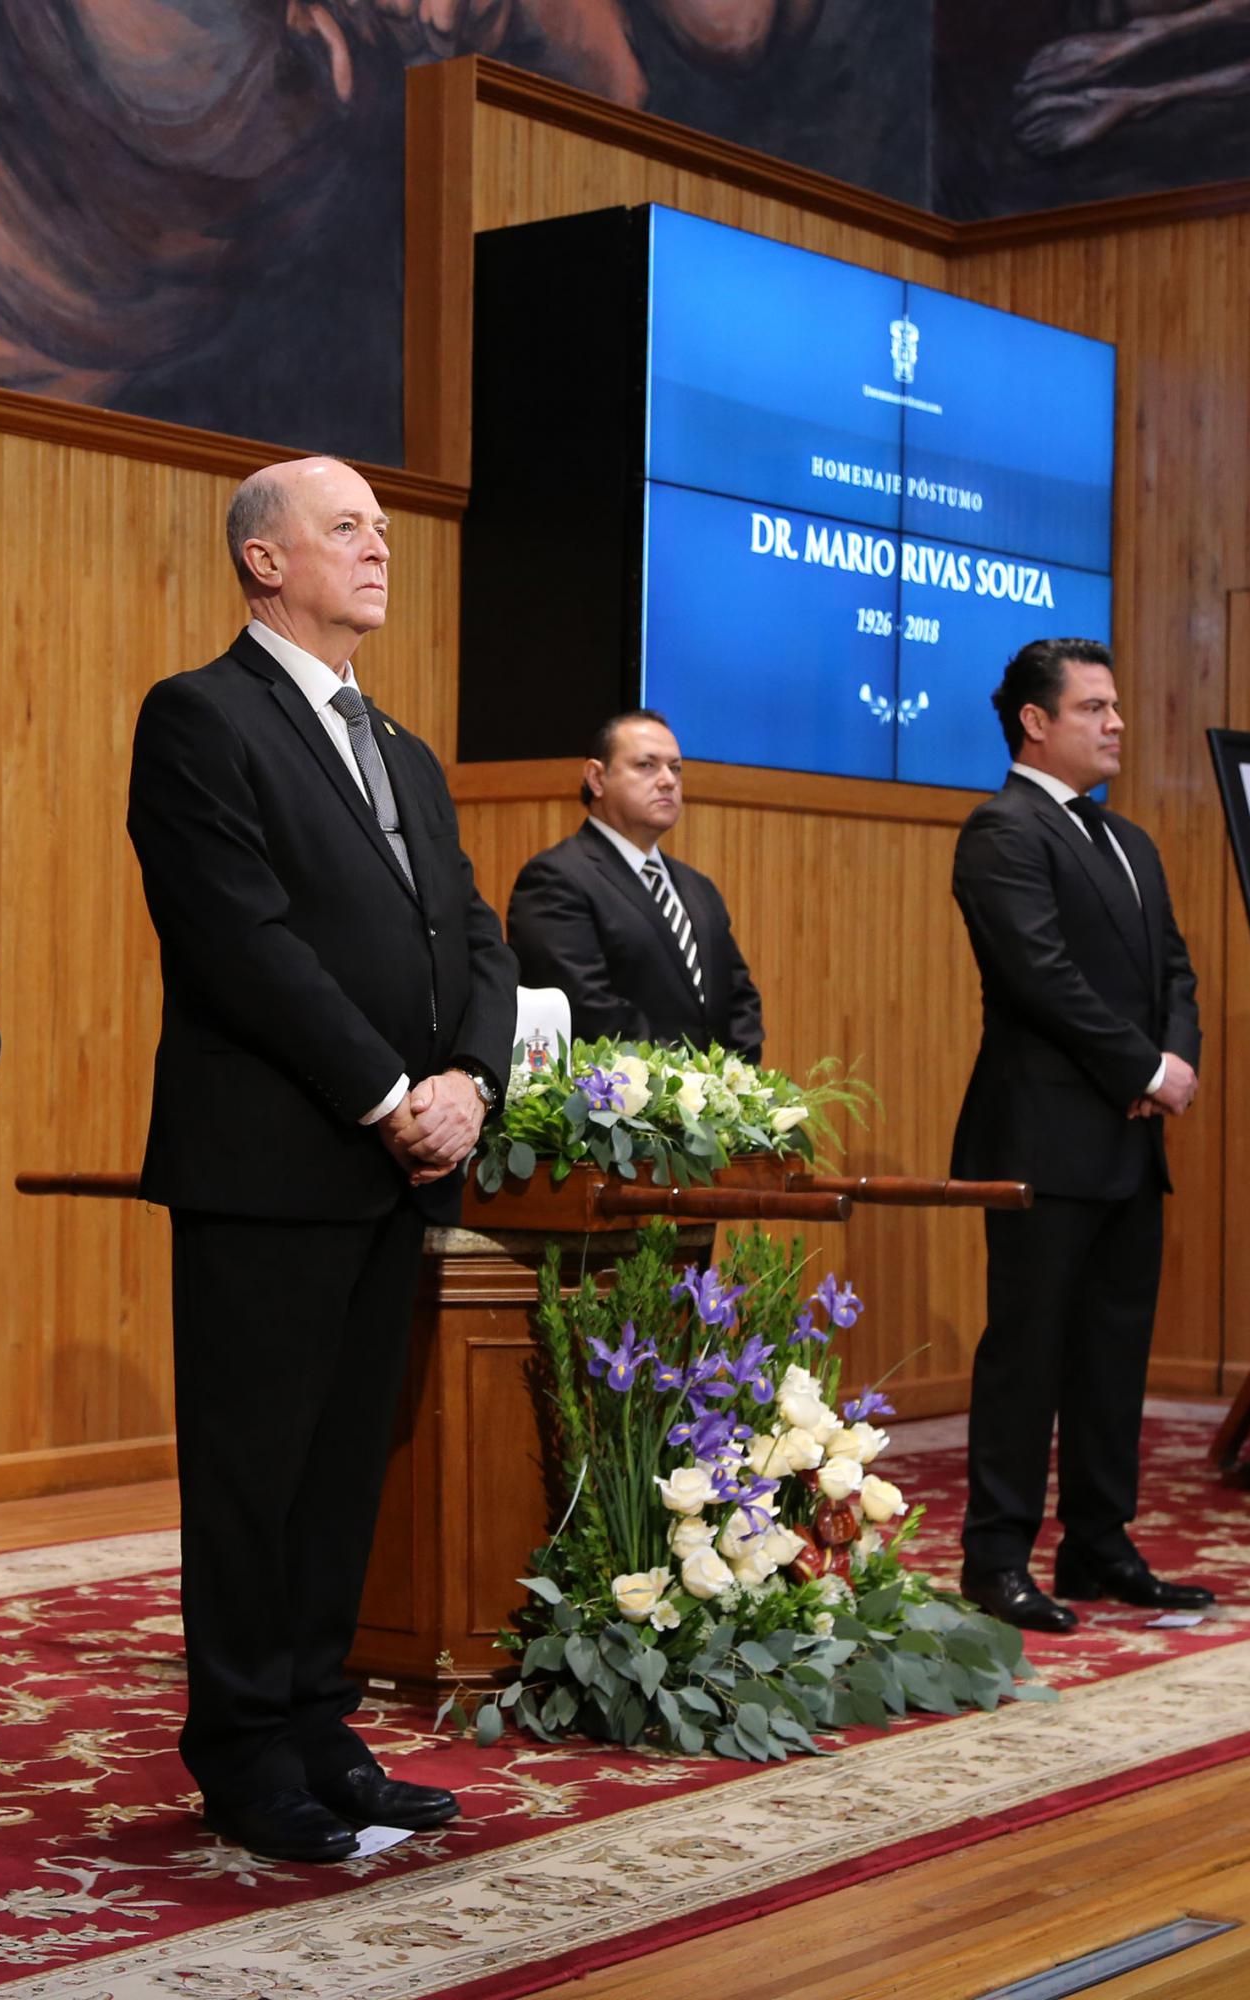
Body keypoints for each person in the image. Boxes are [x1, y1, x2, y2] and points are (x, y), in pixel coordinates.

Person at [127, 455, 517, 1863]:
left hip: (396, 1166)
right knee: (256, 1473)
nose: (379, 549)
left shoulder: (401, 744)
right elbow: (242, 942)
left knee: (347, 1465)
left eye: (383, 530)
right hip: (273, 1161)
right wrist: (385, 1091)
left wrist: (470, 1077)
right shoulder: (198, 719)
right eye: (346, 529)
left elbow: (469, 933)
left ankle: (316, 1720)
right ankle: (240, 1749)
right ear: (264, 561)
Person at [947, 637, 1212, 1635]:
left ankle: (1100, 1541)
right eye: (1095, 706)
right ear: (1035, 722)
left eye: (1116, 706)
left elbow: (1174, 971)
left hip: (1128, 1141)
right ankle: (997, 1555)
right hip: (1040, 1143)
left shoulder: (1129, 840)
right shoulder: (1002, 830)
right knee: (1030, 1350)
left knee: (1112, 1351)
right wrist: (1143, 1068)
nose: (1117, 723)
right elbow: (1038, 974)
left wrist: (1168, 1062)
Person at [506, 710, 764, 1058]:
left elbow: (740, 1000)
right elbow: (587, 1008)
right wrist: (683, 1086)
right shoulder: (556, 879)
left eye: (675, 768)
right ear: (596, 778)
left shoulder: (698, 887)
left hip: (716, 1107)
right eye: (646, 765)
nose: (668, 781)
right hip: (618, 1102)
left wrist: (732, 1085)